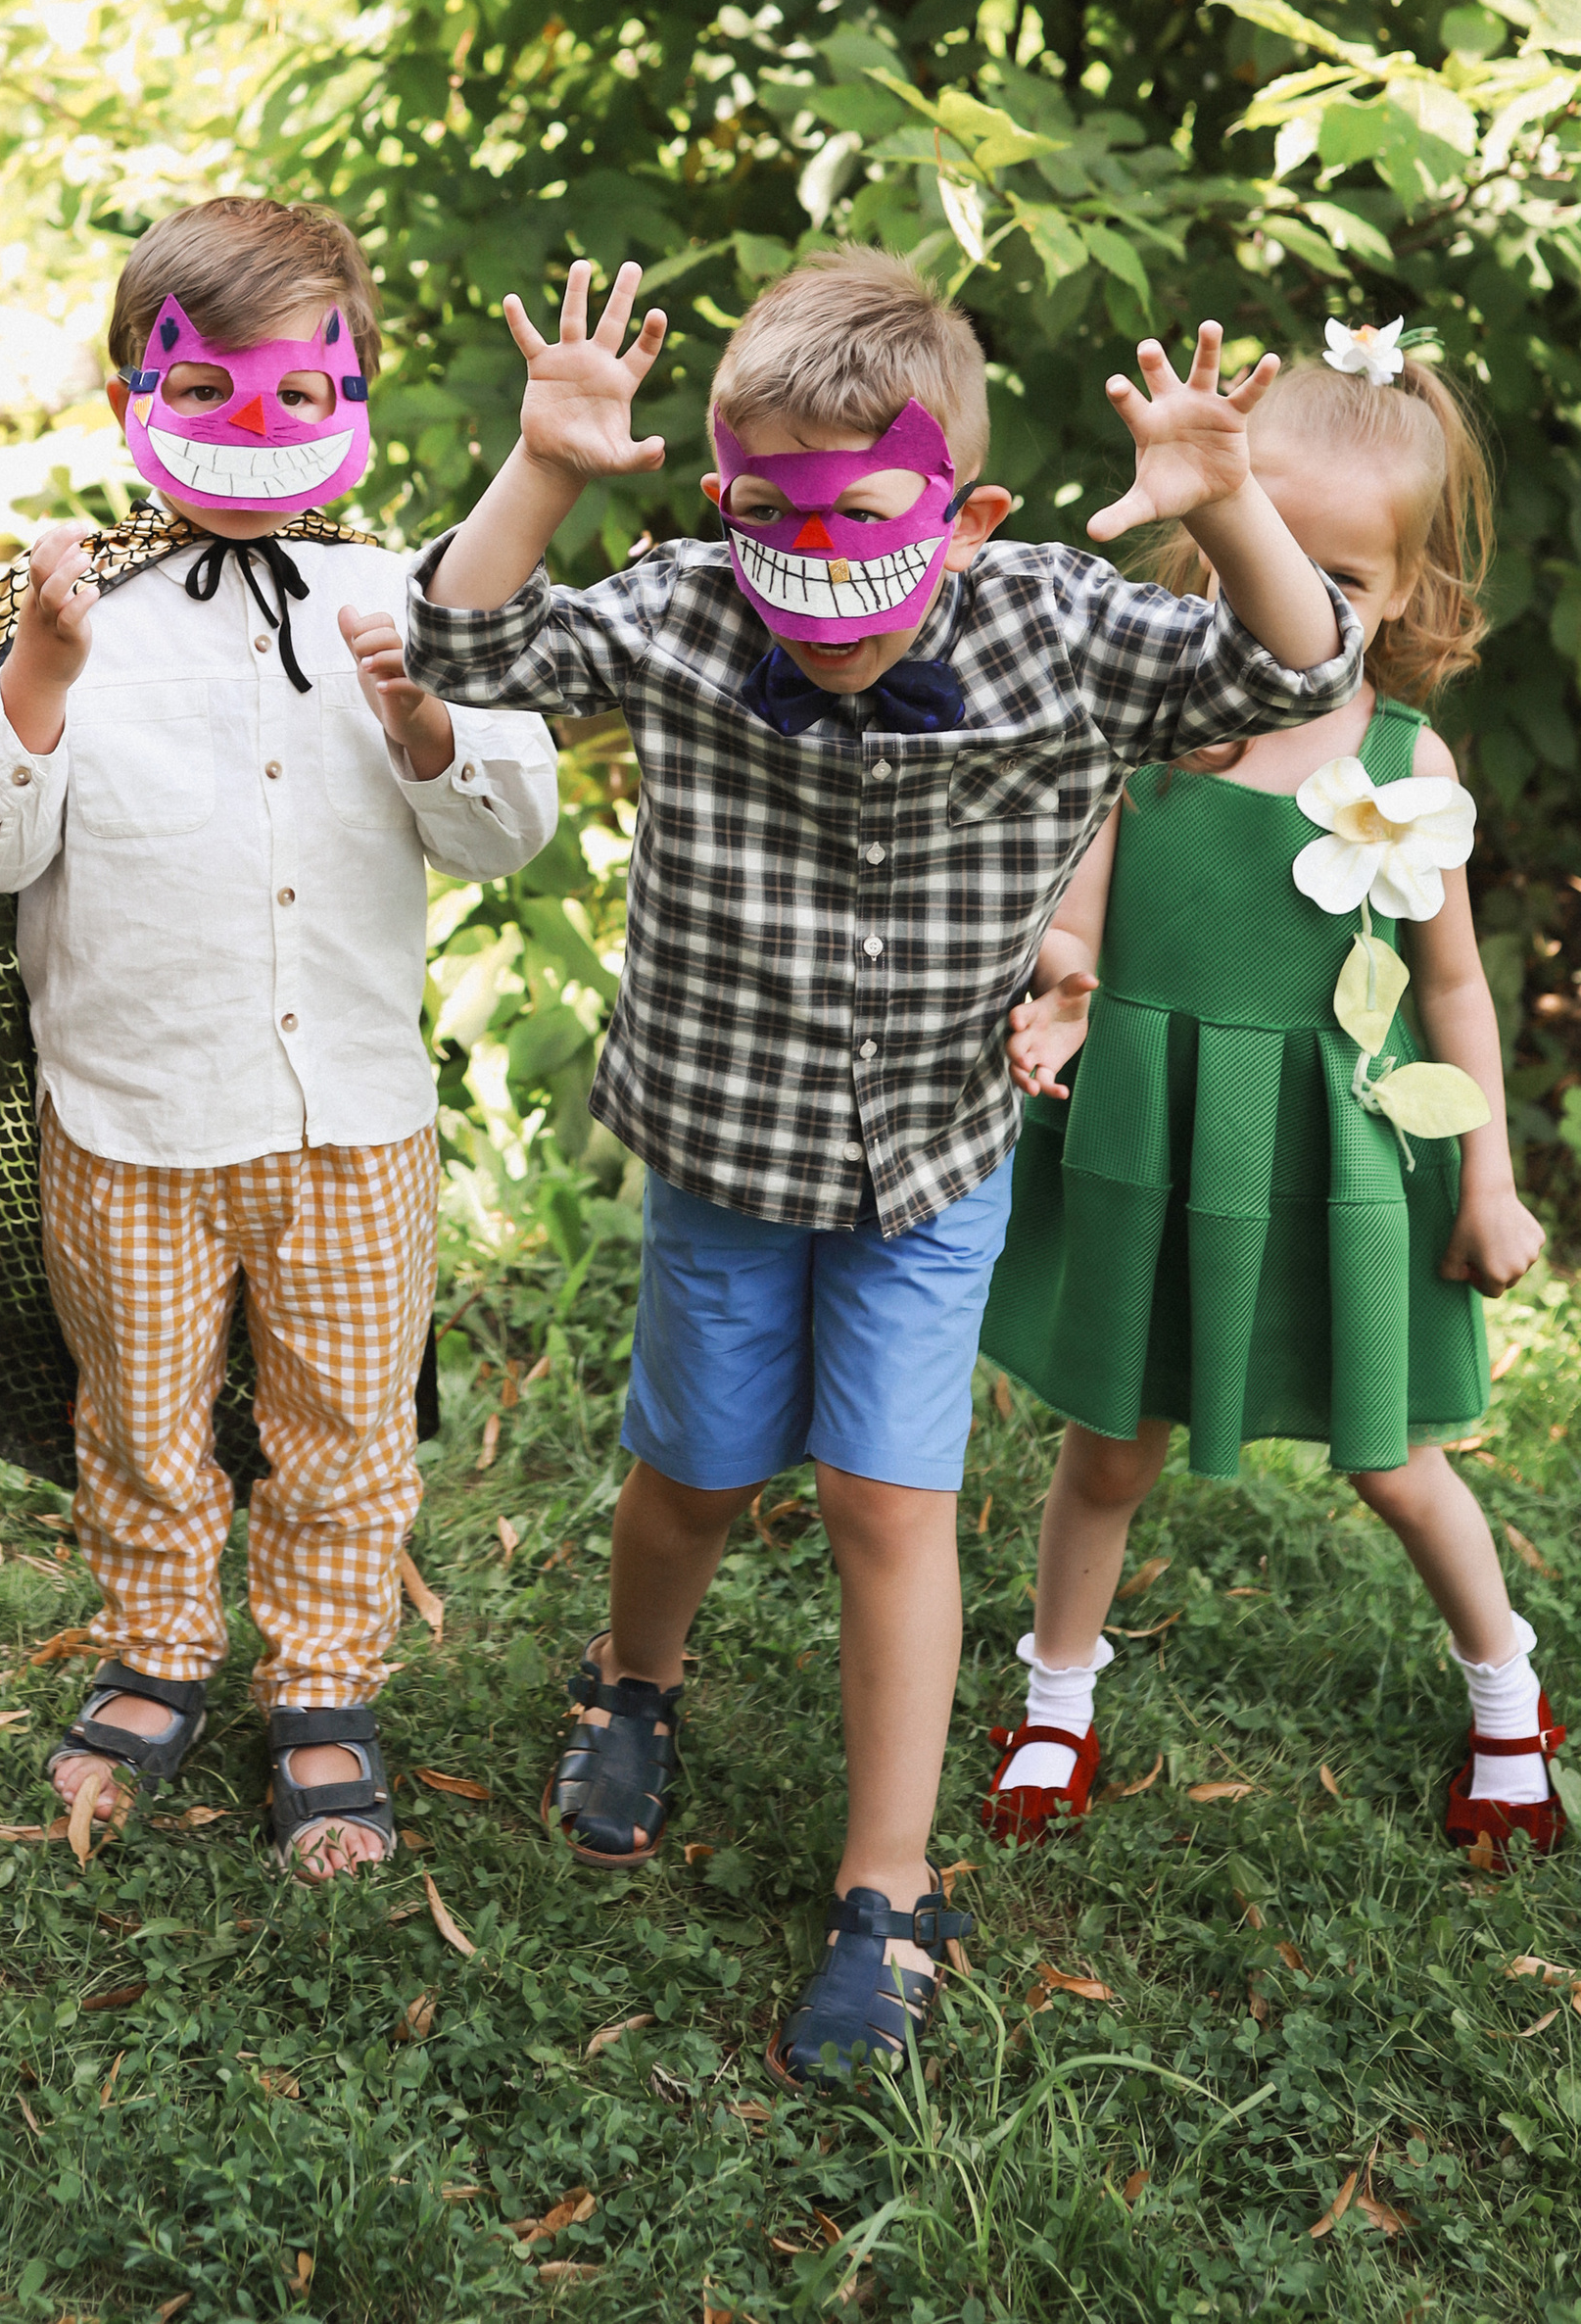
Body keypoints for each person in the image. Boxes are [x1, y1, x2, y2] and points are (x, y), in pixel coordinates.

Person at [407, 245, 1363, 2082]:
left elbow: (1290, 663)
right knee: (688, 1474)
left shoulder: (1059, 627)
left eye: (871, 544)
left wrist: (1231, 496)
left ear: (972, 514)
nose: (826, 605)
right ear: (724, 504)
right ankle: (636, 1682)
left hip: (932, 1163)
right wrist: (542, 466)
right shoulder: (693, 611)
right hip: (724, 1148)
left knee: (885, 1507)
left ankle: (889, 1883)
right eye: (779, 533)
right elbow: (465, 648)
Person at [0, 198, 557, 1875]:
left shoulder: (415, 600)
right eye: (205, 393)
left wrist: (422, 719)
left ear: (353, 387)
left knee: (344, 1419)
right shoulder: (72, 608)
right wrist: (43, 676)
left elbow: (505, 833)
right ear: (133, 390)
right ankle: (158, 1644)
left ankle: (326, 1683)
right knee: (139, 1411)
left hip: (352, 1124)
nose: (251, 430)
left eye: (294, 393)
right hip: (128, 1121)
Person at [981, 338, 1554, 1846]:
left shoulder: (1402, 763)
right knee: (1109, 1444)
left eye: (1343, 577)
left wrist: (1489, 1178)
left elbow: (1449, 989)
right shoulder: (1151, 733)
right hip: (1154, 1132)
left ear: (1406, 596)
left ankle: (1509, 1699)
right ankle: (1056, 1698)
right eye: (1263, 551)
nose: (1297, 597)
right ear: (1205, 539)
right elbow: (1083, 922)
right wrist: (1063, 989)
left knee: (1391, 1457)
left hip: (1328, 1147)